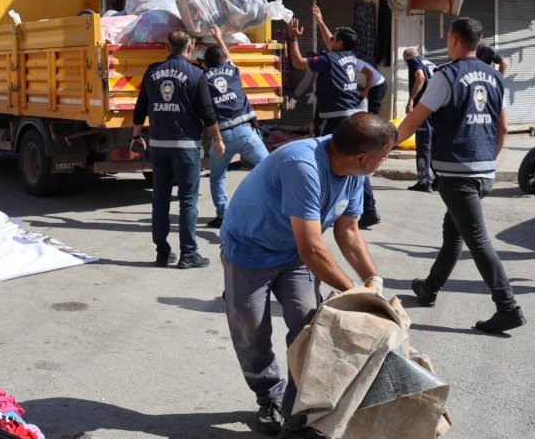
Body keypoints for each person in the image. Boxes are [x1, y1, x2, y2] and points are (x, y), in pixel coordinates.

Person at [220, 113, 393, 437]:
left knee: (309, 328)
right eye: (384, 156)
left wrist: (373, 279)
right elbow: (312, 249)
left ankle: (297, 413)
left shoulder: (355, 173)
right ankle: (268, 394)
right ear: (361, 157)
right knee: (250, 330)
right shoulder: (305, 166)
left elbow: (349, 231)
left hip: (294, 255)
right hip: (250, 250)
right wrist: (354, 292)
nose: (385, 161)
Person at [396, 17, 526, 334]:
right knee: (453, 230)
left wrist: (384, 145)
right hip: (483, 170)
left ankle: (507, 306)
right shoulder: (495, 76)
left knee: (477, 239)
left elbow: (415, 120)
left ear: (454, 39)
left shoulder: (447, 75)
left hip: (457, 172)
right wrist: (488, 160)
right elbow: (504, 126)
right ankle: (430, 287)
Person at [131, 30, 225, 269]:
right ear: (191, 47)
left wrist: (135, 136)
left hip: (159, 147)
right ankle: (188, 254)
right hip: (185, 148)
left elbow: (140, 108)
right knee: (187, 201)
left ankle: (162, 253)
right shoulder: (196, 74)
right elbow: (207, 113)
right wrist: (217, 138)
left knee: (160, 199)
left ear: (166, 46)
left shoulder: (152, 72)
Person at [288, 6, 381, 228]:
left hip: (338, 119)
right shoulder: (349, 56)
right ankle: (367, 209)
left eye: (334, 39)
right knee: (352, 161)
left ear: (338, 43)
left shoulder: (328, 59)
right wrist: (320, 21)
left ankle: (330, 207)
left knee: (330, 161)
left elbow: (298, 62)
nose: (331, 41)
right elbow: (332, 40)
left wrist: (292, 38)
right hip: (351, 115)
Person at [202, 27, 269, 230]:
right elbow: (228, 55)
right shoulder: (231, 70)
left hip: (221, 138)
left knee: (217, 177)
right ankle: (273, 211)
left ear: (205, 63)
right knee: (270, 168)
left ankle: (222, 214)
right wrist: (219, 38)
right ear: (222, 60)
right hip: (246, 130)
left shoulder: (202, 79)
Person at [404, 47, 436, 193]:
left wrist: (411, 99)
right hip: (436, 109)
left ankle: (424, 181)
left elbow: (420, 77)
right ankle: (439, 180)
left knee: (423, 145)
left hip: (424, 109)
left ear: (407, 58)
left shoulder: (413, 61)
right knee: (434, 145)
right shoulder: (430, 63)